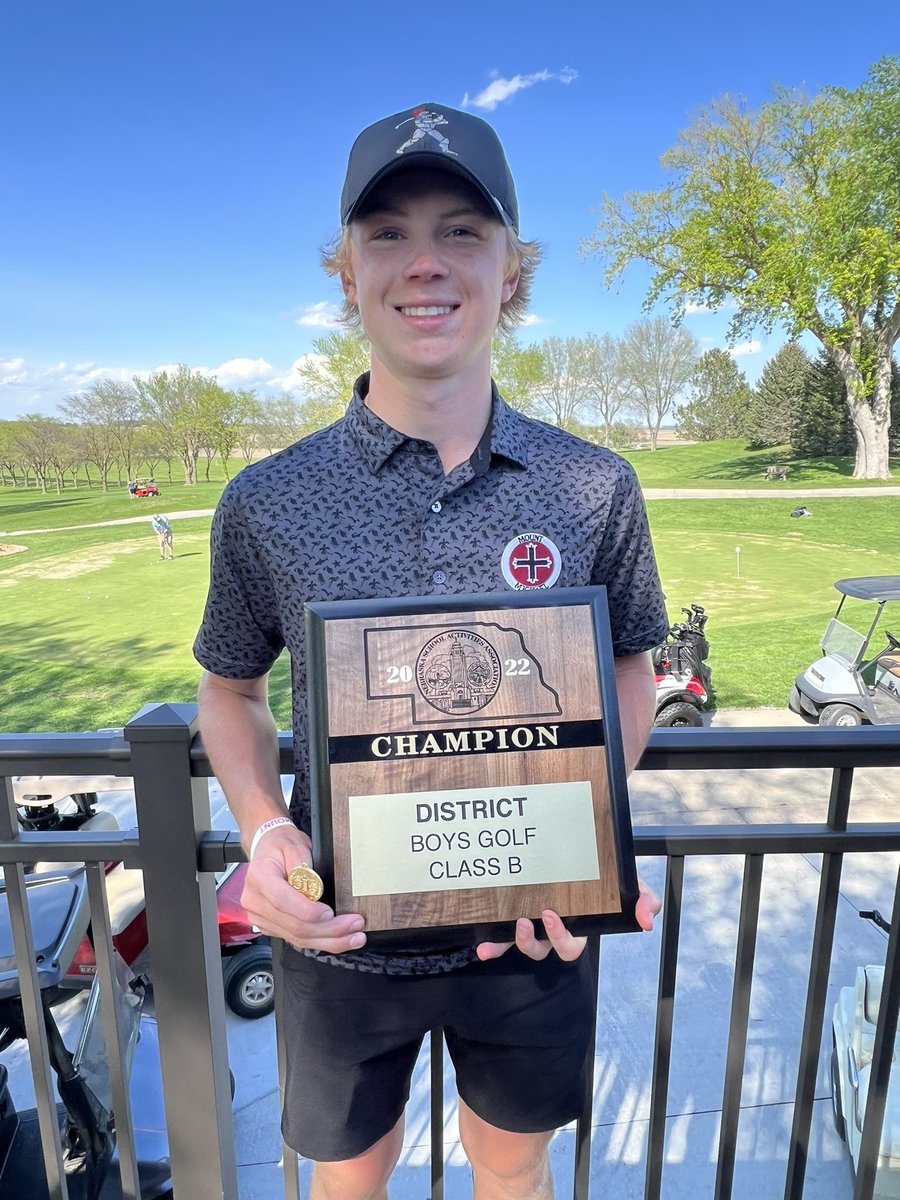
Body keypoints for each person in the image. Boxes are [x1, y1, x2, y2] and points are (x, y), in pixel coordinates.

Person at [194, 102, 670, 1200]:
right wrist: (266, 831)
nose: (426, 264)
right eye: (388, 235)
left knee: (514, 1171)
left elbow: (635, 669)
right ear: (346, 272)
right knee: (348, 1179)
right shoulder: (268, 499)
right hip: (340, 937)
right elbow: (229, 692)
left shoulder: (593, 483)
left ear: (512, 270)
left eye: (463, 230)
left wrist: (579, 827)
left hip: (527, 937)